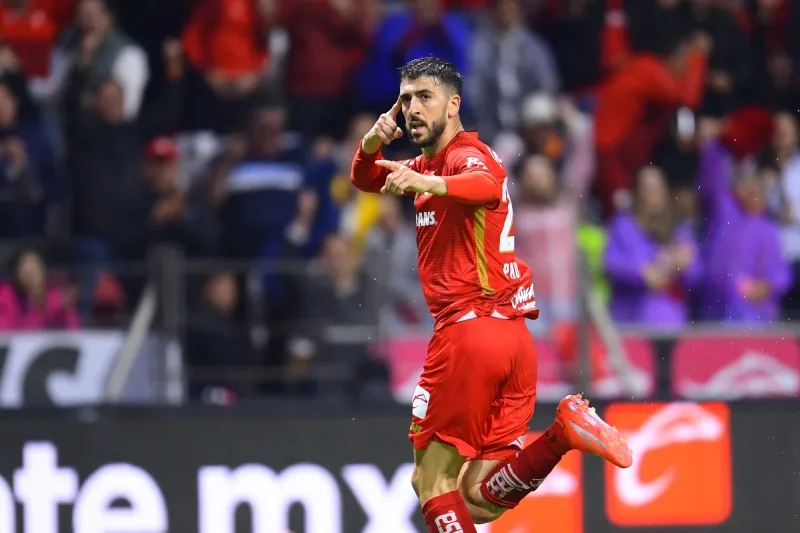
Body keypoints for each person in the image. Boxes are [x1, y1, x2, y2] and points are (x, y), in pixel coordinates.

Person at [349, 57, 632, 533]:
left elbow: (486, 185)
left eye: (424, 97)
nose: (412, 109)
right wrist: (374, 141)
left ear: (453, 105)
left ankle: (564, 432)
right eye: (404, 99)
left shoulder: (466, 155)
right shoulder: (429, 162)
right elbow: (364, 177)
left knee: (431, 482)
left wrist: (427, 182)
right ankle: (563, 434)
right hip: (512, 343)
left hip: (469, 334)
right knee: (480, 499)